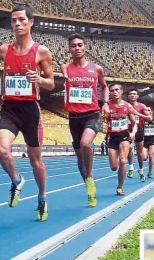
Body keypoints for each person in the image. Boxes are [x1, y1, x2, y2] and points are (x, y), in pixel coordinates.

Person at [0, 4, 55, 222]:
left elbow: (51, 83)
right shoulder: (4, 50)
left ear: (31, 22)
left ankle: (42, 197)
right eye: (13, 21)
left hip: (30, 111)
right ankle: (16, 179)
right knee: (2, 150)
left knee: (35, 161)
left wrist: (38, 79)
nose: (17, 24)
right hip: (9, 108)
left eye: (21, 20)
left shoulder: (41, 51)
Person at [61, 33, 109, 207]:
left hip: (92, 115)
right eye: (73, 45)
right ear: (69, 49)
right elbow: (63, 68)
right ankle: (89, 184)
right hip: (74, 117)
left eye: (80, 45)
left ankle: (89, 178)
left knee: (86, 144)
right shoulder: (65, 67)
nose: (77, 48)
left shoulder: (96, 69)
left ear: (85, 47)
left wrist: (106, 104)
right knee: (80, 160)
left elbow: (104, 87)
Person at [102, 84, 138, 196]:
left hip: (124, 136)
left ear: (121, 91)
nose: (114, 92)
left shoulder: (128, 107)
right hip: (112, 136)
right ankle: (119, 166)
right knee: (114, 167)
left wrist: (133, 132)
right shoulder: (106, 106)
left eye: (117, 90)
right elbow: (102, 118)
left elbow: (134, 124)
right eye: (112, 91)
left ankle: (119, 187)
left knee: (123, 161)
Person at [127, 89, 152, 181]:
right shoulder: (125, 105)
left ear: (137, 96)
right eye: (130, 94)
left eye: (134, 94)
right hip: (128, 130)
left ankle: (141, 170)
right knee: (129, 149)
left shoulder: (141, 106)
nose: (132, 95)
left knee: (140, 153)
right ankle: (130, 167)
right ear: (128, 96)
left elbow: (149, 118)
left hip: (139, 130)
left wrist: (137, 114)